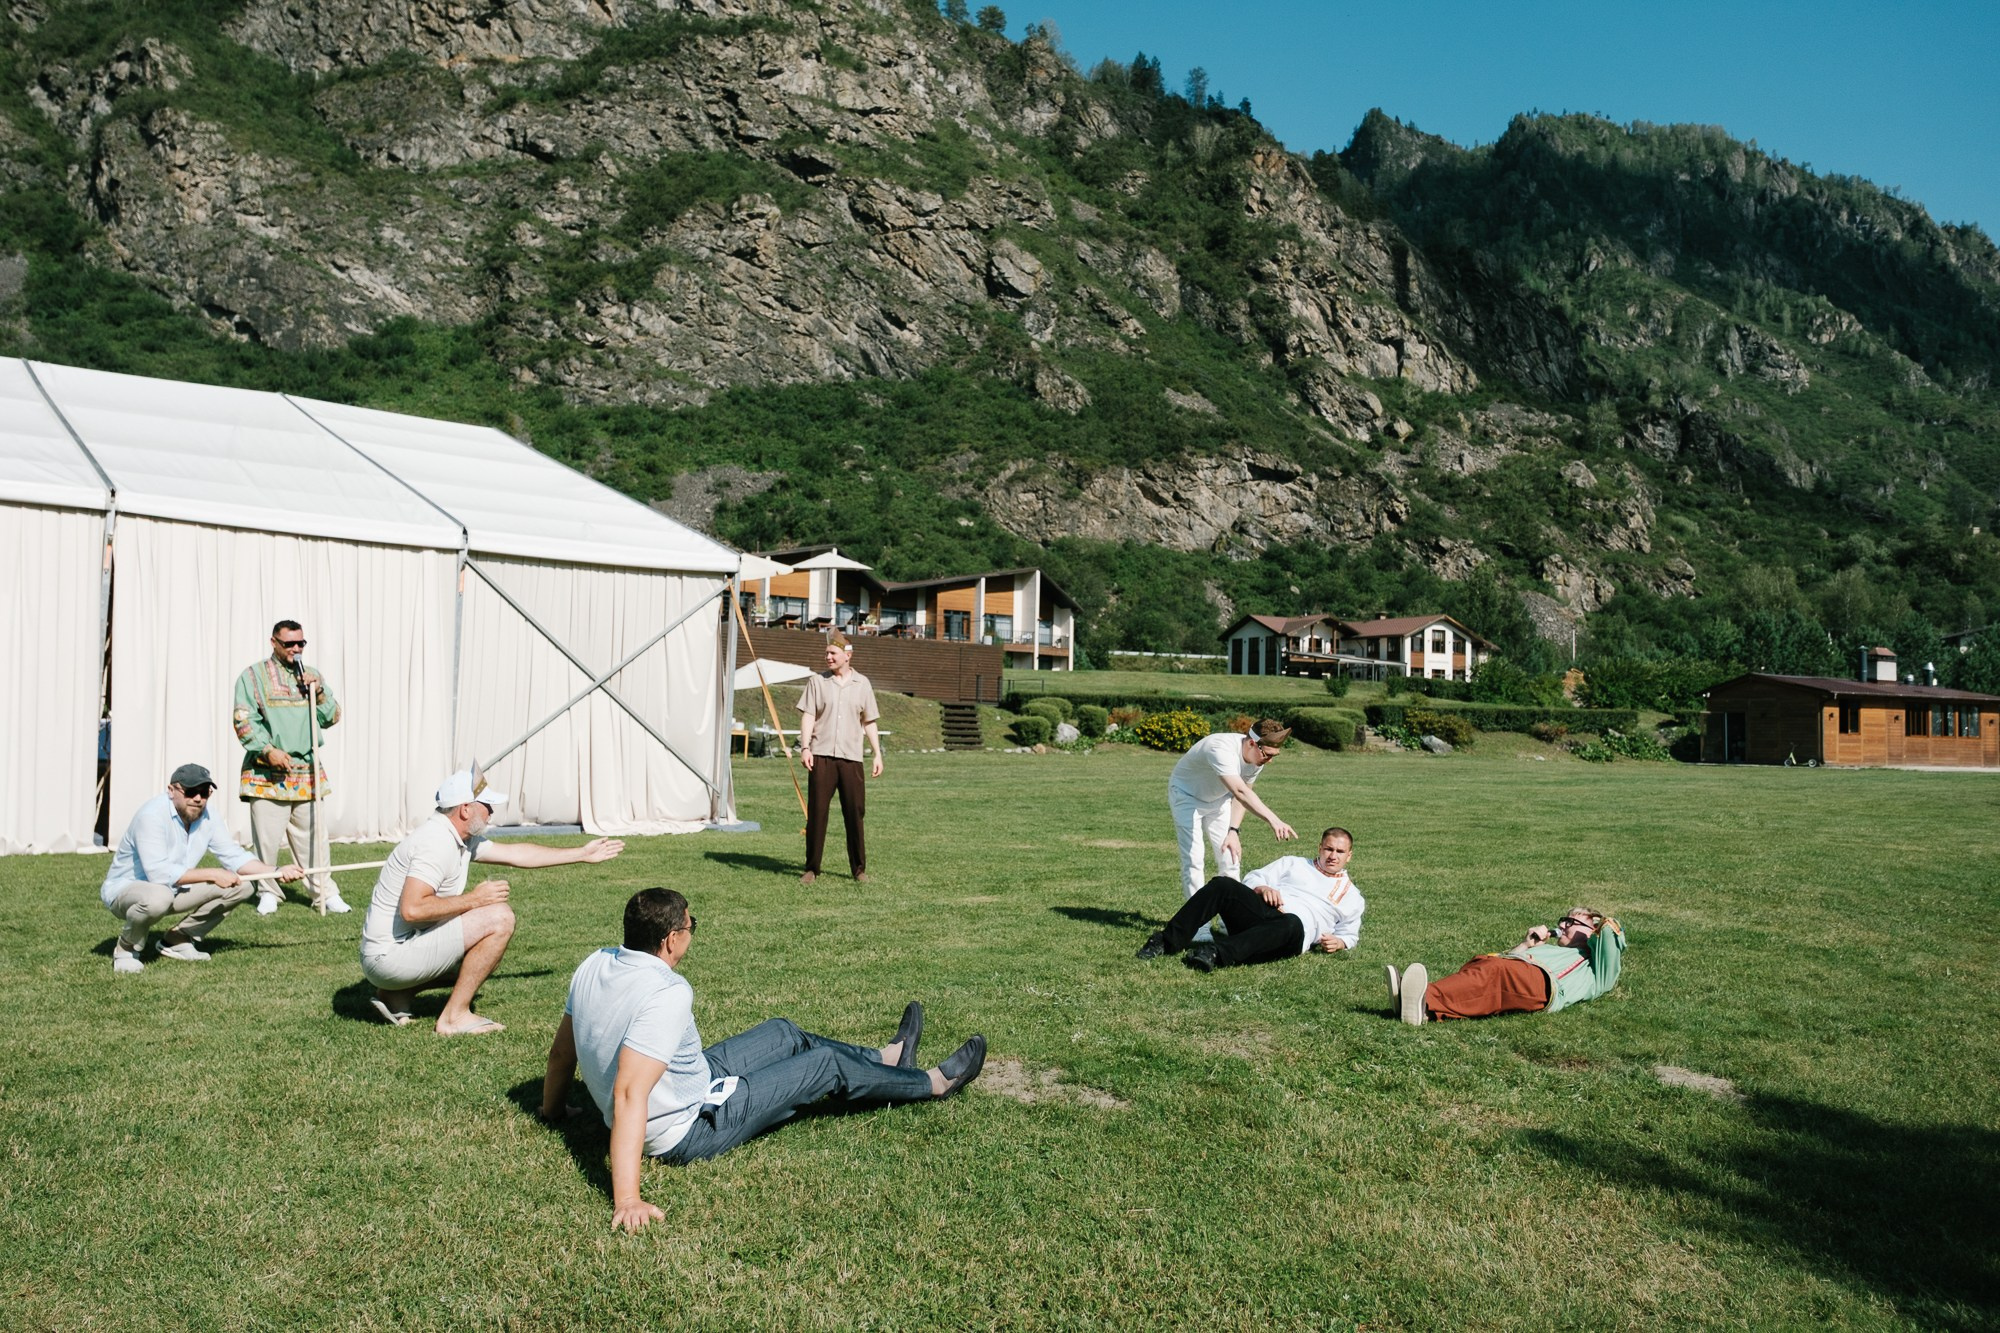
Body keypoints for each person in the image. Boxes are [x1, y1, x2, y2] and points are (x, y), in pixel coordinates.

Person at [539, 888, 987, 1231]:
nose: (693, 931)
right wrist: (627, 1199)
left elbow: (562, 1052)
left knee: (783, 1033)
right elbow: (629, 1093)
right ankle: (931, 1083)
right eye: (692, 925)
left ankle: (885, 1058)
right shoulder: (667, 991)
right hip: (685, 1126)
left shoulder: (595, 963)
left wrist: (553, 1110)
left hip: (687, 1079)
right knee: (824, 1066)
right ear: (671, 939)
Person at [358, 768, 626, 1036]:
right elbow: (413, 909)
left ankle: (397, 995)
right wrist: (475, 899)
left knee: (481, 957)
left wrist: (581, 853)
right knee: (499, 917)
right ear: (465, 810)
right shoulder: (436, 843)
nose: (491, 812)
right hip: (387, 959)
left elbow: (518, 854)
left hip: (391, 956)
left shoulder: (458, 837)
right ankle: (453, 1017)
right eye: (486, 806)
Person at [99, 762, 303, 974]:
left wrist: (278, 870)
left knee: (243, 886)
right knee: (158, 896)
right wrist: (214, 874)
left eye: (204, 792)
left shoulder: (209, 815)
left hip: (172, 890)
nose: (198, 798)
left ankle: (177, 939)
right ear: (171, 791)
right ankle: (126, 950)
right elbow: (159, 874)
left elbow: (234, 856)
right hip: (126, 892)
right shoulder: (151, 816)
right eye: (190, 791)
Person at [233, 619, 345, 915]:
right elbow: (243, 718)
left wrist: (318, 692)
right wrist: (267, 750)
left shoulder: (311, 676)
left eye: (301, 643)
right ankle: (268, 890)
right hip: (268, 770)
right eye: (289, 644)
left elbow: (331, 717)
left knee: (314, 837)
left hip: (306, 768)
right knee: (267, 840)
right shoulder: (253, 676)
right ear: (274, 643)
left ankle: (323, 892)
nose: (296, 649)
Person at [1137, 827, 1364, 971]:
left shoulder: (1352, 896)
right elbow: (1254, 876)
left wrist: (1340, 942)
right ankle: (1166, 941)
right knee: (1223, 884)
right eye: (1328, 849)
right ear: (1320, 847)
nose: (1333, 856)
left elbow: (1349, 933)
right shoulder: (1294, 863)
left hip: (1291, 933)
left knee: (1292, 922)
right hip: (1264, 912)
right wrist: (1262, 887)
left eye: (1340, 852)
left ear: (1349, 855)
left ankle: (1215, 953)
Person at [1165, 718, 1298, 939]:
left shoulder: (1257, 760)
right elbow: (1241, 792)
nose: (1270, 760)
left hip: (1218, 800)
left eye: (1275, 756)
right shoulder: (1220, 749)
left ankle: (1232, 921)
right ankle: (1199, 926)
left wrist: (1233, 831)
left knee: (1230, 857)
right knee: (1194, 858)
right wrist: (1273, 820)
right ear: (1252, 744)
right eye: (1268, 754)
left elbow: (1243, 794)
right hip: (1186, 797)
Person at [1390, 908, 1626, 1025]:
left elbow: (1611, 932)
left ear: (1592, 931)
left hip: (1545, 985)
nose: (1563, 925)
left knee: (1495, 970)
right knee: (1485, 964)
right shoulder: (1549, 949)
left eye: (1572, 922)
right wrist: (1526, 944)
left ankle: (1420, 998)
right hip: (1518, 974)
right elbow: (1506, 959)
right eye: (1562, 920)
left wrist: (1594, 929)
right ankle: (1422, 1011)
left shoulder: (1596, 968)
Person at [796, 633, 884, 885]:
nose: (828, 657)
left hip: (851, 758)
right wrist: (805, 748)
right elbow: (808, 716)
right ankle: (812, 868)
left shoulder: (863, 684)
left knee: (855, 813)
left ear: (848, 655)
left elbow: (869, 721)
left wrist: (877, 753)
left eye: (833, 653)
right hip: (821, 756)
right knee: (817, 813)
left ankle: (858, 869)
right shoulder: (817, 682)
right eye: (826, 653)